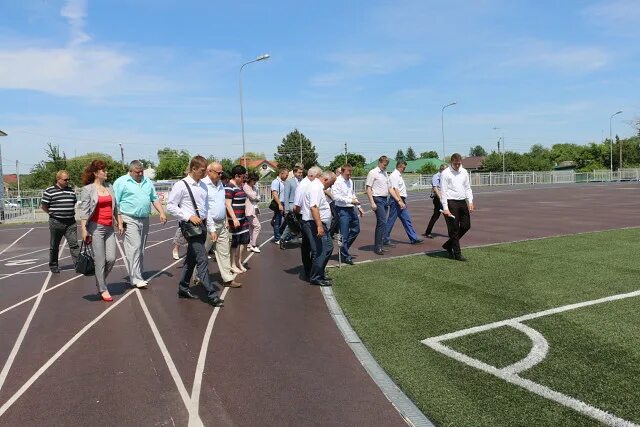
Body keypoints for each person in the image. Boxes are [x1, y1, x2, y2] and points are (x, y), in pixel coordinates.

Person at [166, 155, 223, 307]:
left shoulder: (203, 186)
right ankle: (211, 294)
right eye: (202, 171)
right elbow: (171, 206)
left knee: (191, 259)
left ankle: (183, 288)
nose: (205, 174)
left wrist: (211, 228)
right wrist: (188, 216)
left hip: (202, 226)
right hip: (190, 227)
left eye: (206, 171)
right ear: (193, 169)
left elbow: (207, 210)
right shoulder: (181, 185)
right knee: (202, 258)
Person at [114, 160, 167, 289]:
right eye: (137, 172)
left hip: (144, 218)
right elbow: (116, 202)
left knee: (141, 248)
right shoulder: (121, 182)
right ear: (130, 171)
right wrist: (119, 220)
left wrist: (161, 212)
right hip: (129, 217)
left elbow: (154, 198)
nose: (140, 174)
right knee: (135, 246)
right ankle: (135, 278)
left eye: (141, 171)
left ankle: (137, 274)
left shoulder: (147, 181)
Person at [78, 160, 119, 302]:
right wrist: (84, 229)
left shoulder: (109, 186)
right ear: (96, 173)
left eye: (106, 170)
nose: (106, 172)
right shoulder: (88, 189)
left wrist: (119, 221)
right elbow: (84, 212)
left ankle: (100, 280)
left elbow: (115, 206)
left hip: (109, 227)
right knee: (100, 260)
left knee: (111, 258)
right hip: (96, 228)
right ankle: (102, 288)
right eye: (103, 170)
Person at [203, 162, 241, 288]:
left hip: (221, 224)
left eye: (221, 172)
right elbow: (205, 208)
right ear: (209, 171)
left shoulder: (220, 184)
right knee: (202, 252)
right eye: (218, 172)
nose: (221, 175)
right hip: (209, 225)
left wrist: (225, 221)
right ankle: (197, 275)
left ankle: (228, 279)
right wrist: (212, 228)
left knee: (224, 252)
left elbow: (222, 204)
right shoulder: (203, 185)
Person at [41, 170, 80, 273]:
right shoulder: (49, 191)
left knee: (74, 245)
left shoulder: (71, 190)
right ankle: (54, 265)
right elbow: (44, 206)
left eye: (68, 179)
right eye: (65, 179)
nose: (67, 181)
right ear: (58, 179)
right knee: (54, 246)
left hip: (70, 222)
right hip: (56, 222)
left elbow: (73, 202)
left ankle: (78, 265)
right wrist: (52, 214)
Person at [301, 170, 336, 286]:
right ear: (325, 180)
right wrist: (319, 225)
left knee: (328, 247)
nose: (331, 186)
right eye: (331, 183)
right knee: (321, 250)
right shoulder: (316, 188)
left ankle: (318, 273)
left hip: (316, 223)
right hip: (313, 223)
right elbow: (314, 207)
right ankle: (315, 276)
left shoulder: (317, 187)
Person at [440, 153, 475, 261]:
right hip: (451, 203)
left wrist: (470, 201)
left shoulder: (464, 171)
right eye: (456, 164)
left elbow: (468, 187)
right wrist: (445, 208)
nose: (457, 166)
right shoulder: (445, 173)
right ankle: (457, 253)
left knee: (466, 226)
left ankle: (448, 245)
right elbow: (443, 192)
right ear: (451, 162)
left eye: (459, 163)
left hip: (462, 202)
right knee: (454, 229)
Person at [384, 160, 423, 245]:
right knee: (391, 220)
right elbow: (395, 189)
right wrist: (400, 202)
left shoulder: (398, 175)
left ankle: (413, 238)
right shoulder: (394, 175)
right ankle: (384, 239)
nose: (404, 169)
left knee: (407, 219)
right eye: (404, 167)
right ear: (399, 166)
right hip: (396, 200)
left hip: (400, 200)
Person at [331, 164, 363, 265]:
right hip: (341, 209)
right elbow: (336, 197)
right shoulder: (337, 182)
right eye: (347, 174)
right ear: (342, 172)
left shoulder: (350, 181)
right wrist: (350, 200)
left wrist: (359, 207)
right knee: (344, 234)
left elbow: (352, 194)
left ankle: (343, 249)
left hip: (350, 208)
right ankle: (345, 255)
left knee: (356, 229)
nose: (349, 176)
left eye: (350, 173)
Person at [294, 166, 321, 281]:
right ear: (312, 176)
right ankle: (309, 271)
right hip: (305, 218)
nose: (320, 179)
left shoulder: (308, 184)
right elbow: (297, 206)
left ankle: (310, 270)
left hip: (307, 217)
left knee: (308, 245)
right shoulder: (304, 185)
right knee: (308, 246)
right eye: (319, 176)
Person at [225, 165, 250, 274]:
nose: (244, 179)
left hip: (243, 219)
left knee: (244, 241)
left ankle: (239, 262)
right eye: (243, 177)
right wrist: (234, 219)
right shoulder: (229, 187)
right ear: (236, 176)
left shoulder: (240, 186)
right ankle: (232, 264)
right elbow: (227, 204)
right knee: (235, 243)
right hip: (234, 220)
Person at [365, 156, 391, 255]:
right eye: (384, 164)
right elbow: (368, 188)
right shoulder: (373, 173)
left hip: (385, 199)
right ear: (380, 162)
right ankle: (377, 247)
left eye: (387, 165)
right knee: (382, 222)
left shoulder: (385, 173)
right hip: (377, 199)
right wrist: (372, 202)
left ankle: (380, 245)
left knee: (383, 223)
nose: (386, 166)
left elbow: (389, 187)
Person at [279, 165, 303, 249]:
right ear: (294, 173)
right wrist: (286, 209)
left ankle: (301, 239)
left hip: (301, 207)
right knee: (291, 225)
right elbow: (286, 196)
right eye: (299, 172)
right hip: (292, 206)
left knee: (301, 224)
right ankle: (282, 239)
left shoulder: (303, 181)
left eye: (301, 172)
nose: (301, 174)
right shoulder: (289, 182)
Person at [424, 164, 448, 238]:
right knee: (446, 215)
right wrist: (441, 199)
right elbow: (435, 188)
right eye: (446, 170)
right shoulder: (436, 176)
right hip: (438, 199)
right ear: (442, 170)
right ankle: (452, 233)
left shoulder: (445, 177)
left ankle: (428, 232)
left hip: (444, 198)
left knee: (436, 216)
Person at [244, 172, 262, 253]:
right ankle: (253, 245)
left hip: (254, 208)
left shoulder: (253, 187)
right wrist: (256, 196)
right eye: (254, 180)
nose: (255, 182)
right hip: (249, 210)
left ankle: (250, 244)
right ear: (250, 179)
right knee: (257, 226)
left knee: (252, 227)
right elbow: (253, 196)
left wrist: (256, 197)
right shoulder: (246, 186)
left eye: (256, 181)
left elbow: (258, 197)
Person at [270, 167, 288, 243]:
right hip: (279, 203)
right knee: (278, 221)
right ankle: (277, 238)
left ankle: (280, 233)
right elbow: (274, 193)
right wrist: (279, 204)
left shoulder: (283, 182)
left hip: (283, 203)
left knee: (288, 219)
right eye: (286, 175)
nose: (287, 176)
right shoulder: (275, 182)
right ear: (281, 173)